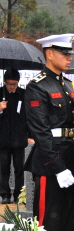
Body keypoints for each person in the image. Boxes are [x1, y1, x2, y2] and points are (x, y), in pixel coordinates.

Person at [24, 33, 74, 231]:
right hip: (50, 164)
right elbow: (41, 130)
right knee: (48, 222)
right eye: (64, 53)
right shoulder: (37, 86)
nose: (69, 58)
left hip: (70, 158)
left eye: (70, 54)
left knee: (67, 220)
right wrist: (58, 167)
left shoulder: (66, 83)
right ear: (49, 53)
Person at [0, 68, 30, 204]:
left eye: (15, 84)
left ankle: (19, 194)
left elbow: (29, 116)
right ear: (4, 82)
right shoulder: (0, 93)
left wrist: (29, 135)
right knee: (3, 168)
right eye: (9, 84)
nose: (12, 87)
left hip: (19, 138)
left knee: (19, 168)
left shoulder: (23, 94)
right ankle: (5, 194)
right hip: (2, 139)